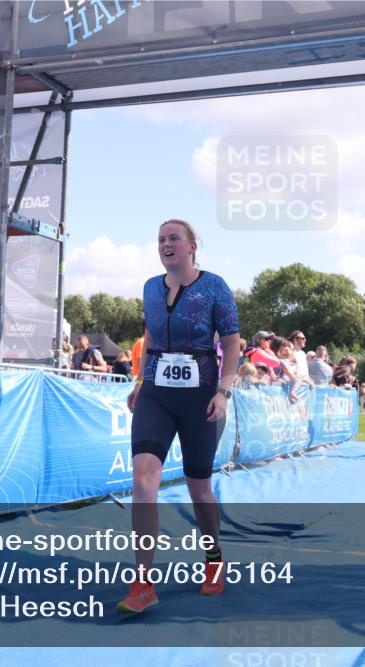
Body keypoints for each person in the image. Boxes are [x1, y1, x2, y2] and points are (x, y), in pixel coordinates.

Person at [121, 219, 241, 615]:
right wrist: (140, 380)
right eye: (160, 239)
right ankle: (142, 583)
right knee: (142, 481)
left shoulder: (215, 287)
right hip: (156, 393)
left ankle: (213, 559)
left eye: (174, 238)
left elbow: (230, 342)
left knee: (199, 489)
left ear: (192, 246)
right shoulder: (150, 288)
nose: (165, 244)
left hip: (201, 398)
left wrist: (223, 393)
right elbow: (152, 334)